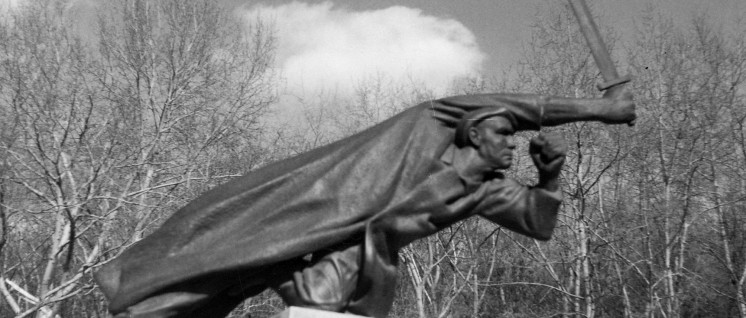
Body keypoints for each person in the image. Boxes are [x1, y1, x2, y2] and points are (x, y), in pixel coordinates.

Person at [94, 91, 635, 318]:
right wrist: (597, 110)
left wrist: (552, 175)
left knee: (234, 281)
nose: (513, 142)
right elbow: (517, 103)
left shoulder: (484, 191)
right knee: (221, 255)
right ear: (474, 134)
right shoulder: (424, 138)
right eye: (505, 133)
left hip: (366, 270)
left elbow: (538, 223)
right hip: (316, 232)